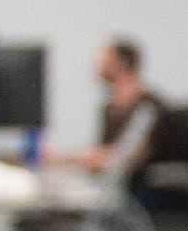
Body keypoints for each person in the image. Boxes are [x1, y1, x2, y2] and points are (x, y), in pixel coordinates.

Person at [62, 38, 158, 181]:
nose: (97, 63)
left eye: (103, 57)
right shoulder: (109, 108)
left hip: (138, 193)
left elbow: (124, 158)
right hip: (109, 187)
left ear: (122, 63)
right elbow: (101, 154)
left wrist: (68, 158)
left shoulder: (148, 107)